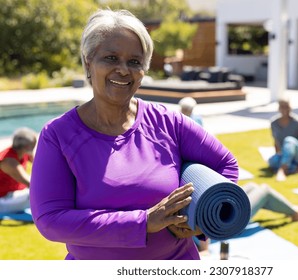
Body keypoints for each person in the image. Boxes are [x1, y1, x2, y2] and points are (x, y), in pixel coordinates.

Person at [29, 9, 238, 260]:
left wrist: (200, 220)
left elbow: (226, 164)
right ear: (88, 62)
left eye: (135, 62)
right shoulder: (58, 135)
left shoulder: (169, 123)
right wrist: (144, 221)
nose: (124, 70)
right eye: (111, 58)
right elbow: (50, 220)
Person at [196, 182, 298, 255]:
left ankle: (287, 208)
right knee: (265, 190)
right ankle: (296, 213)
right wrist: (204, 249)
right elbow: (197, 221)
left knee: (252, 186)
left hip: (217, 214)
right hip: (224, 225)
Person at [268, 98, 298, 181]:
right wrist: (278, 156)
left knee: (289, 140)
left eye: (286, 107)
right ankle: (297, 168)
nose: (285, 109)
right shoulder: (274, 123)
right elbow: (276, 142)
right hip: (287, 156)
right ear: (279, 108)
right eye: (282, 107)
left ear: (290, 108)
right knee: (272, 161)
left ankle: (282, 170)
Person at [0, 127, 37, 213]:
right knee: (39, 193)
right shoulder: (9, 161)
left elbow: (40, 167)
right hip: (3, 200)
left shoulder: (22, 152)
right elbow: (30, 183)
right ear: (27, 146)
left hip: (14, 194)